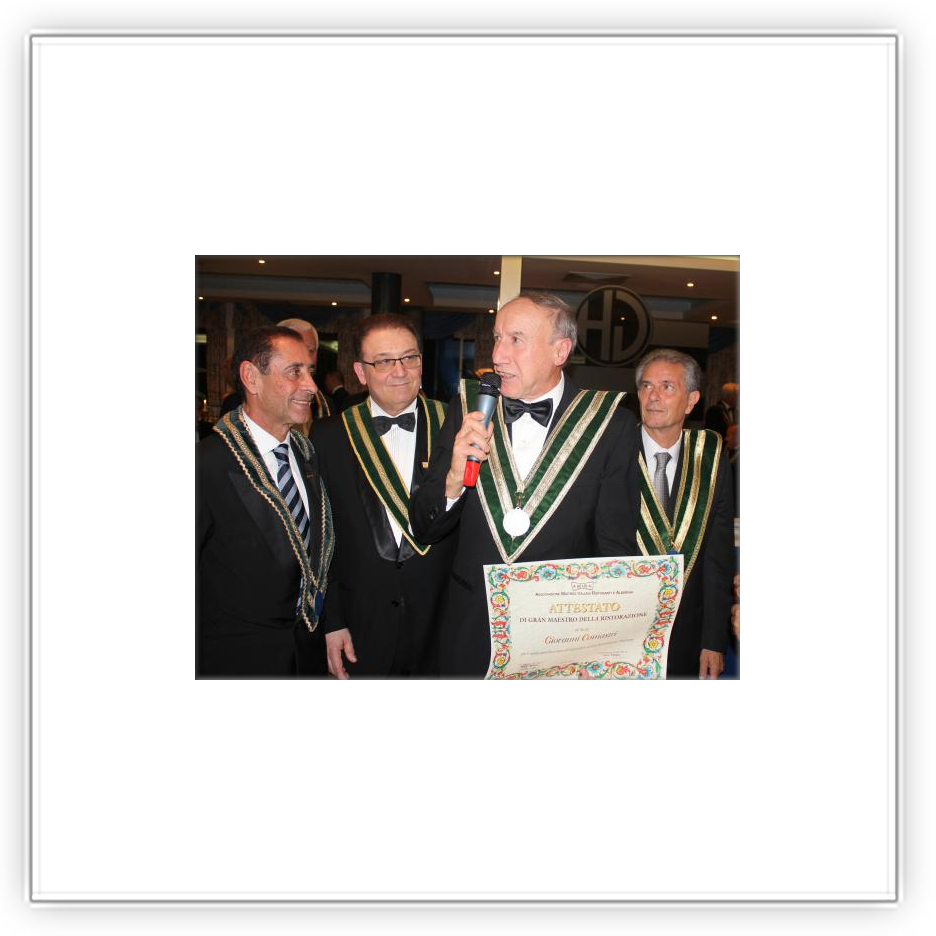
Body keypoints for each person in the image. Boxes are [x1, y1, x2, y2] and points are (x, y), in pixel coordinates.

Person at [410, 292, 641, 677]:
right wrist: (452, 478)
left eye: (516, 340)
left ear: (560, 351)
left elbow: (613, 550)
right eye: (497, 338)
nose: (498, 355)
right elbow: (424, 526)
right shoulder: (467, 407)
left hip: (561, 642)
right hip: (470, 629)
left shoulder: (610, 426)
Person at [311, 314, 455, 678]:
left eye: (409, 358)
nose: (400, 371)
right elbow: (322, 538)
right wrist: (332, 619)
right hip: (361, 625)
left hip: (442, 624)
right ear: (360, 372)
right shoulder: (329, 435)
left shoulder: (454, 425)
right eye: (384, 361)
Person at [197, 326, 334, 677]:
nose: (311, 386)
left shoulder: (307, 455)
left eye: (310, 371)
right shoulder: (206, 465)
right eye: (294, 372)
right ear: (251, 377)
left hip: (308, 658)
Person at [635, 348, 734, 679]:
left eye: (667, 387)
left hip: (687, 638)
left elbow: (717, 561)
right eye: (646, 386)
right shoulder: (611, 451)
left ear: (691, 401)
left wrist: (713, 641)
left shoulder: (710, 460)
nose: (653, 396)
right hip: (618, 635)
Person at [219, 318, 332, 428]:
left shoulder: (325, 405)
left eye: (310, 350)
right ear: (251, 377)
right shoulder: (234, 407)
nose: (313, 388)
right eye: (293, 371)